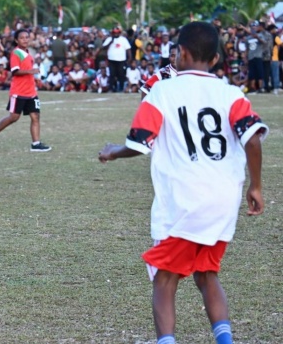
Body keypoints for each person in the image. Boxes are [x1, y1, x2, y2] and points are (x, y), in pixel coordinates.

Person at [98, 21, 268, 344]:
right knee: (207, 274)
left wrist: (112, 152)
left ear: (180, 53)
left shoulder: (163, 90)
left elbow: (139, 143)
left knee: (165, 280)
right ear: (216, 59)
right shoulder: (231, 93)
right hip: (222, 202)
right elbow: (253, 138)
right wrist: (256, 186)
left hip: (182, 202)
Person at [0, 29, 51, 152]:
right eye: (22, 38)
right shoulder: (16, 53)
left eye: (27, 37)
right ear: (16, 40)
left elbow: (27, 71)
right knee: (14, 117)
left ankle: (36, 144)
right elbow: (15, 71)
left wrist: (34, 78)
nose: (25, 39)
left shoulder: (28, 53)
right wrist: (30, 71)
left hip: (31, 91)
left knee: (35, 116)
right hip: (19, 91)